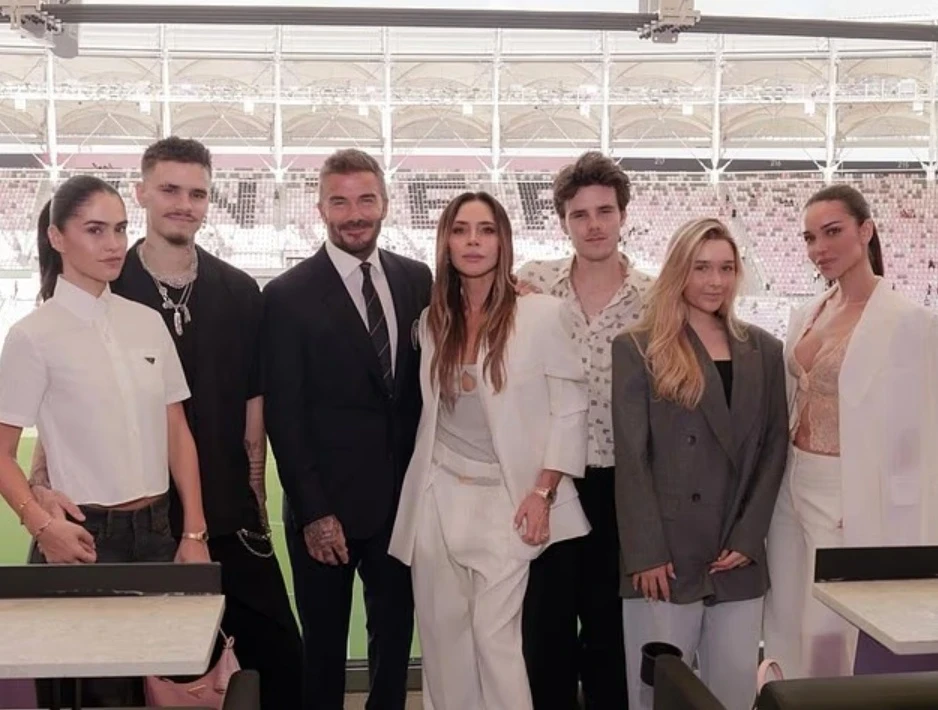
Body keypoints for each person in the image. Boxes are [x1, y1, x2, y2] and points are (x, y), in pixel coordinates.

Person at [29, 138, 303, 709]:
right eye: (170, 190)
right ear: (142, 193)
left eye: (197, 193)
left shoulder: (239, 291)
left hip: (222, 516)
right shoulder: (102, 279)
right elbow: (59, 401)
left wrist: (254, 504)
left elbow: (252, 411)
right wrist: (41, 488)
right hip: (131, 521)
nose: (184, 203)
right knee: (128, 681)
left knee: (277, 661)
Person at [0, 175, 210, 708]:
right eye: (95, 230)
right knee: (97, 700)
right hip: (83, 540)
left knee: (164, 691)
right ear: (57, 237)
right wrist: (41, 524)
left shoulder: (147, 323)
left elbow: (176, 431)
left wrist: (193, 531)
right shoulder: (32, 336)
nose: (114, 244)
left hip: (159, 534)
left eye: (119, 229)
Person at [388, 191, 590, 710]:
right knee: (442, 639)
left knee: (494, 640)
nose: (473, 241)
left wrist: (543, 492)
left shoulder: (541, 314)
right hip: (438, 495)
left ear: (503, 241)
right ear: (446, 243)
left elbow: (570, 409)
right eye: (460, 230)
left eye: (485, 230)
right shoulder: (434, 320)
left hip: (508, 499)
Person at [263, 148, 432, 710]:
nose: (354, 214)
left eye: (365, 200)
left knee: (395, 642)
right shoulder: (286, 296)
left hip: (401, 507)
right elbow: (284, 416)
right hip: (325, 511)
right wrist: (315, 512)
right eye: (339, 202)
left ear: (385, 203)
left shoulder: (416, 279)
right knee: (324, 653)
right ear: (321, 209)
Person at [612, 217, 788, 710]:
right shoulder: (638, 347)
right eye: (702, 268)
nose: (716, 281)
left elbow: (774, 449)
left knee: (732, 690)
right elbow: (632, 457)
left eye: (726, 268)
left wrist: (748, 538)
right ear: (678, 271)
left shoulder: (764, 349)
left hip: (736, 553)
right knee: (656, 693)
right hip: (665, 557)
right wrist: (645, 552)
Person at [763, 184, 938, 679]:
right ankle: (782, 700)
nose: (820, 248)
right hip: (791, 484)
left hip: (845, 487)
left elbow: (919, 436)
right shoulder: (808, 312)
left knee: (829, 626)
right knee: (785, 611)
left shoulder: (910, 323)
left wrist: (879, 503)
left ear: (866, 231)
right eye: (810, 238)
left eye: (833, 232)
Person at [516, 151, 652, 710]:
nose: (594, 225)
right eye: (580, 214)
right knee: (544, 630)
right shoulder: (531, 282)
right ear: (563, 220)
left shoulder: (653, 296)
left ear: (623, 216)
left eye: (604, 211)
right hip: (551, 479)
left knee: (609, 631)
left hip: (621, 483)